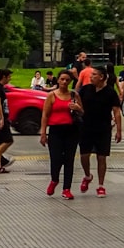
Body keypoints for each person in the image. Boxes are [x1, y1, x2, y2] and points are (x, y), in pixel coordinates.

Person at [78, 65, 122, 196]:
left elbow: (116, 112)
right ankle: (87, 176)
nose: (91, 77)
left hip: (103, 128)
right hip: (86, 127)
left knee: (101, 157)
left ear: (102, 77)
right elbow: (77, 103)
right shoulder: (85, 90)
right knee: (84, 155)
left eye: (94, 75)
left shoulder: (110, 92)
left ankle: (101, 185)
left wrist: (119, 130)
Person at [39, 70, 83, 199]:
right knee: (56, 158)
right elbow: (45, 115)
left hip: (71, 130)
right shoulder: (51, 96)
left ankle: (67, 188)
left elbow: (82, 112)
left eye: (67, 80)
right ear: (58, 80)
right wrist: (43, 133)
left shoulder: (74, 95)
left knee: (69, 160)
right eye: (62, 79)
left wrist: (78, 108)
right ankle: (54, 179)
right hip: (55, 131)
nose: (64, 82)